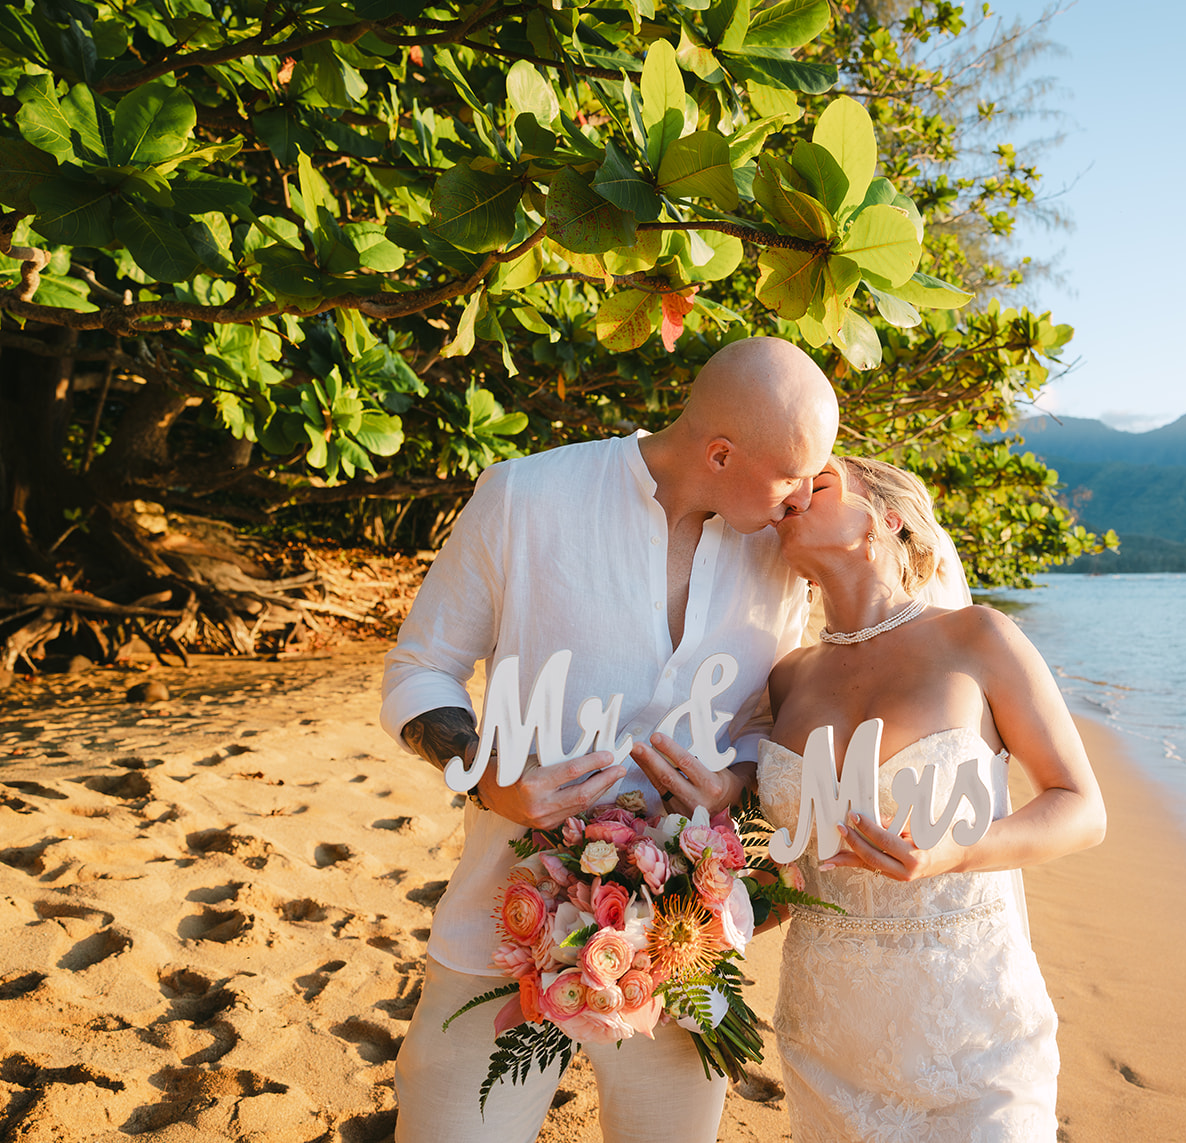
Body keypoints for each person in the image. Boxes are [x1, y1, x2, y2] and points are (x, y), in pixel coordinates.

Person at [379, 336, 839, 1143]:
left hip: (684, 934)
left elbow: (764, 722)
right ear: (720, 453)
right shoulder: (525, 496)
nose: (806, 497)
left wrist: (732, 784)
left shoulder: (778, 549)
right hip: (504, 911)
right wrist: (488, 774)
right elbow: (421, 668)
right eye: (793, 475)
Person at [756, 456, 1107, 1142]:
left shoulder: (978, 637)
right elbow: (792, 870)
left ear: (885, 520)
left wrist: (957, 852)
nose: (794, 496)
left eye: (819, 484)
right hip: (828, 1033)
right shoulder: (787, 678)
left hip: (973, 1030)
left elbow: (1082, 808)